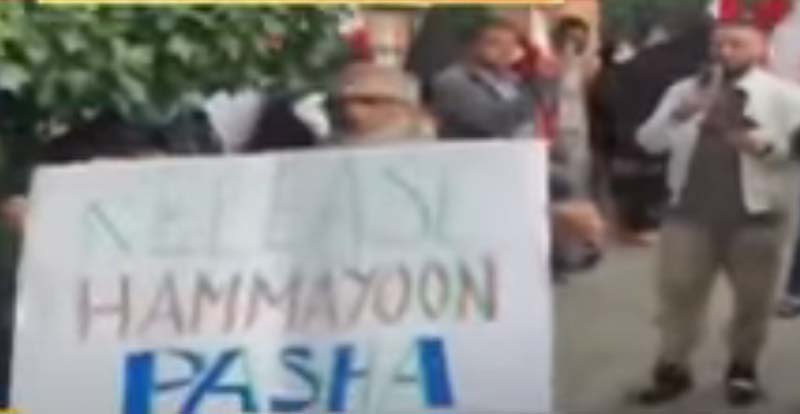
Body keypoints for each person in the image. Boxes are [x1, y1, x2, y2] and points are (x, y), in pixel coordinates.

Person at [634, 16, 800, 406]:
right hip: (688, 216)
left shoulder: (785, 96)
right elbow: (648, 141)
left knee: (753, 302)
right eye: (718, 44)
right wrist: (680, 113)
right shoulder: (683, 91)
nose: (724, 52)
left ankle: (742, 368)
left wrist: (763, 146)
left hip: (756, 218)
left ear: (760, 49)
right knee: (678, 298)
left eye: (736, 44)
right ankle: (672, 369)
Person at [430, 19, 535, 140]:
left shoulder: (514, 79)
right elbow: (493, 120)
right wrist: (535, 95)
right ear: (473, 45)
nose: (506, 50)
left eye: (512, 44)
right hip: (474, 150)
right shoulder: (453, 81)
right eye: (494, 43)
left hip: (523, 148)